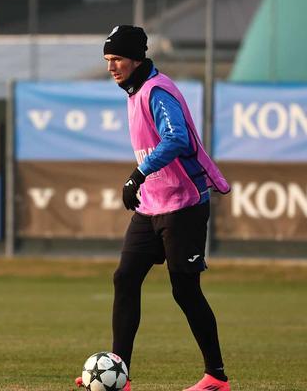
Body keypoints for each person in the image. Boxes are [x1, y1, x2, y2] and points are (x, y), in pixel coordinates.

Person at [77, 25, 232, 391]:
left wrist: (138, 174)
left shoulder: (156, 90)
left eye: (116, 59)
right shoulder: (133, 91)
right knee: (125, 278)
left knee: (185, 290)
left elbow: (176, 138)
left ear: (136, 59)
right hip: (152, 207)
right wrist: (142, 182)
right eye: (107, 60)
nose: (111, 67)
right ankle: (119, 375)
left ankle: (216, 377)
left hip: (184, 205)